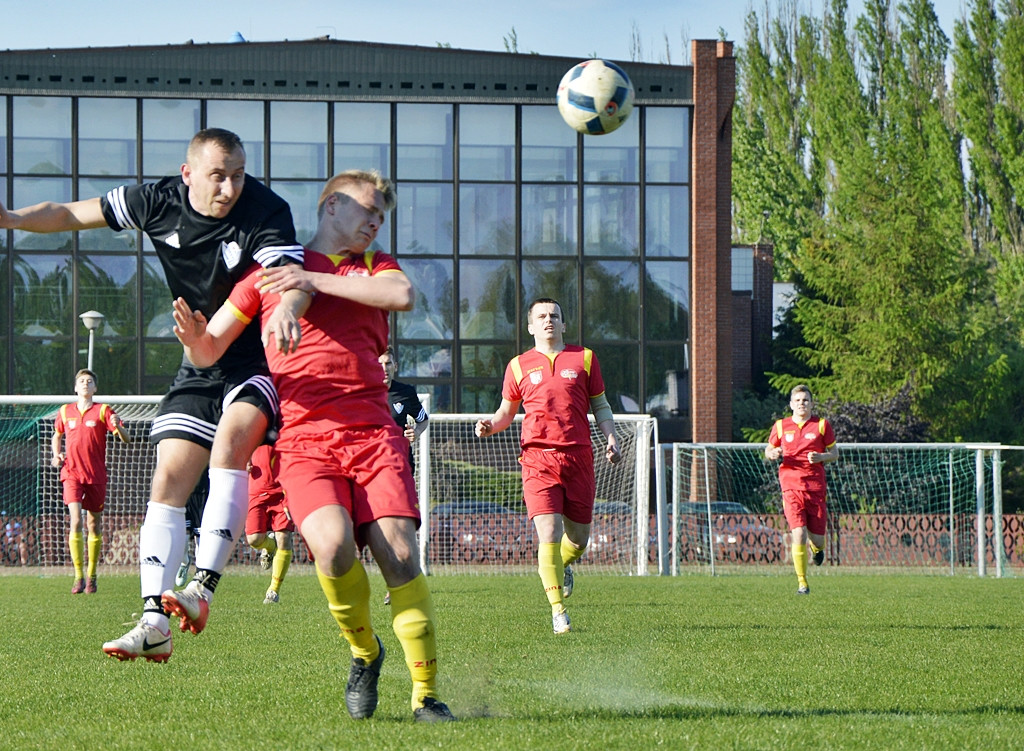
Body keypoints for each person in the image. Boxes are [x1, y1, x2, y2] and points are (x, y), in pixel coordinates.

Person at [0, 127, 304, 662]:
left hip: (254, 361)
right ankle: (152, 623)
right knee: (167, 477)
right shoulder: (155, 200)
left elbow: (290, 279)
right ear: (188, 173)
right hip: (197, 359)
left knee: (231, 444)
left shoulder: (266, 209)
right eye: (217, 176)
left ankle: (202, 589)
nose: (230, 188)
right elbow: (72, 214)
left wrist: (286, 312)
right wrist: (14, 220)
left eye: (237, 175)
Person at [171, 169, 455, 722]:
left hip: (375, 431)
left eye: (381, 217)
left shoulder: (373, 267)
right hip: (304, 438)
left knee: (399, 555)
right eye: (367, 211)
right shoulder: (269, 269)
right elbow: (211, 348)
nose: (375, 223)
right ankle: (365, 652)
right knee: (332, 548)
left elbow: (401, 294)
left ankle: (425, 697)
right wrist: (195, 341)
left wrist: (314, 280)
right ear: (330, 206)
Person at [474, 298, 621, 635]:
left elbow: (601, 405)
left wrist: (611, 438)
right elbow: (505, 414)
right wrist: (489, 426)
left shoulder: (585, 358)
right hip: (537, 458)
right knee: (549, 534)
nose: (548, 320)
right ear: (530, 326)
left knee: (579, 539)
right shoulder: (518, 365)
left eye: (554, 315)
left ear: (564, 324)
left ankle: (563, 566)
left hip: (579, 457)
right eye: (541, 316)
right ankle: (558, 612)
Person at [51, 369, 130, 594]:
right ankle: (77, 577)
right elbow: (57, 435)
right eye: (81, 381)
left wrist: (120, 426)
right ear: (76, 388)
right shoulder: (65, 411)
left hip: (95, 475)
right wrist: (56, 455)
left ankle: (92, 575)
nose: (85, 384)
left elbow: (126, 439)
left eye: (90, 381)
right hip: (71, 473)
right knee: (76, 520)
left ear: (95, 388)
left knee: (93, 524)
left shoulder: (103, 410)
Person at [764, 384, 838, 595]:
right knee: (798, 533)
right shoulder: (780, 426)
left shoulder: (822, 425)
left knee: (817, 538)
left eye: (805, 400)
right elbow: (769, 448)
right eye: (797, 401)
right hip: (790, 487)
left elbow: (835, 453)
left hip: (815, 488)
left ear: (811, 403)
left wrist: (822, 457)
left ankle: (818, 550)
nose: (801, 404)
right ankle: (802, 583)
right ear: (791, 404)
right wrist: (772, 453)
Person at [245, 443, 294, 605]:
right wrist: (243, 460)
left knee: (284, 537)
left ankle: (273, 590)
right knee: (254, 539)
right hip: (258, 487)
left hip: (283, 489)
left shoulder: (286, 423)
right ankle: (270, 546)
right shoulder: (255, 423)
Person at [176, 473, 209, 588]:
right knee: (182, 539)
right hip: (182, 492)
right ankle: (184, 562)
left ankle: (199, 576)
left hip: (202, 492)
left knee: (200, 537)